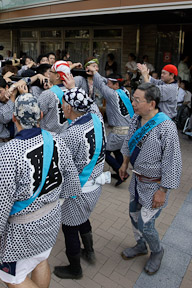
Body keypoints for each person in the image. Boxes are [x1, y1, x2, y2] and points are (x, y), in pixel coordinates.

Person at [0, 93, 81, 288]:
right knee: (40, 260)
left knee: (12, 278)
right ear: (41, 115)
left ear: (14, 118)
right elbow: (71, 178)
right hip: (51, 215)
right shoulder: (56, 139)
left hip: (23, 227)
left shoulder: (9, 151)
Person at [118, 83, 182, 275]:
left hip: (154, 186)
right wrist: (124, 163)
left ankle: (157, 251)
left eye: (137, 100)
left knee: (146, 225)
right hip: (137, 181)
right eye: (133, 99)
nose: (133, 103)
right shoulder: (135, 119)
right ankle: (140, 245)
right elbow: (128, 143)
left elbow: (173, 162)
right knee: (133, 214)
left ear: (152, 103)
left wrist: (163, 191)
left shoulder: (167, 127)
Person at [54, 88, 108, 279]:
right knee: (83, 217)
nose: (61, 107)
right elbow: (92, 105)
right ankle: (90, 250)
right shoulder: (96, 118)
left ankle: (75, 269)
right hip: (96, 185)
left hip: (79, 189)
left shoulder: (72, 134)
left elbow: (60, 165)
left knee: (69, 227)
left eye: (63, 104)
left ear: (68, 107)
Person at [89, 66, 133, 187]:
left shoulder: (112, 94)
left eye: (109, 83)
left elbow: (100, 84)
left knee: (104, 152)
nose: (107, 84)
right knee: (117, 151)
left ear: (116, 84)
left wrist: (94, 71)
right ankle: (120, 171)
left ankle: (120, 171)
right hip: (127, 129)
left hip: (119, 131)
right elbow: (104, 81)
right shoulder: (125, 91)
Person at [0, 75, 29, 149]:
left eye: (0, 91)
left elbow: (27, 79)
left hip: (21, 139)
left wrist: (14, 86)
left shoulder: (15, 90)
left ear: (7, 87)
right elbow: (6, 118)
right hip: (4, 142)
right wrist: (12, 98)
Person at [38, 61, 72, 133]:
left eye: (51, 71)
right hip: (69, 135)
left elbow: (37, 115)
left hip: (51, 138)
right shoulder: (73, 92)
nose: (49, 73)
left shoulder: (47, 94)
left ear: (57, 76)